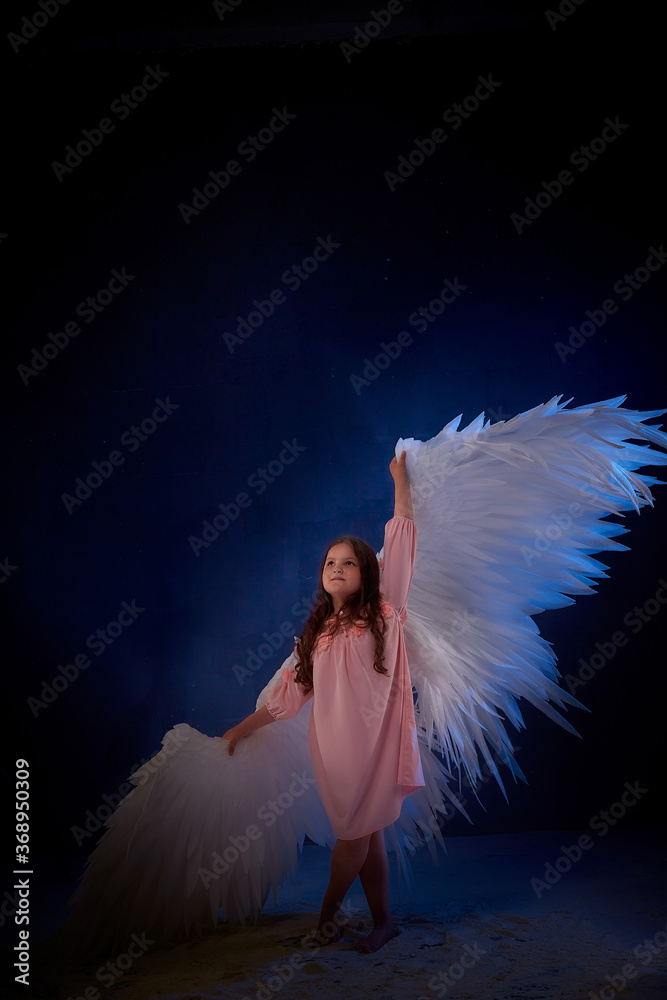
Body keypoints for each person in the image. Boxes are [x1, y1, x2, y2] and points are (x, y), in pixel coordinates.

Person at [222, 450, 425, 953]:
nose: (337, 568)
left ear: (367, 574)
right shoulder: (315, 634)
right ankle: (384, 921)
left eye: (349, 563)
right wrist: (240, 731)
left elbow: (401, 541)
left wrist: (400, 484)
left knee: (354, 837)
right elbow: (285, 700)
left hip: (372, 747)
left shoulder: (384, 612)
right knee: (368, 836)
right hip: (332, 752)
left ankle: (327, 918)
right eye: (330, 563)